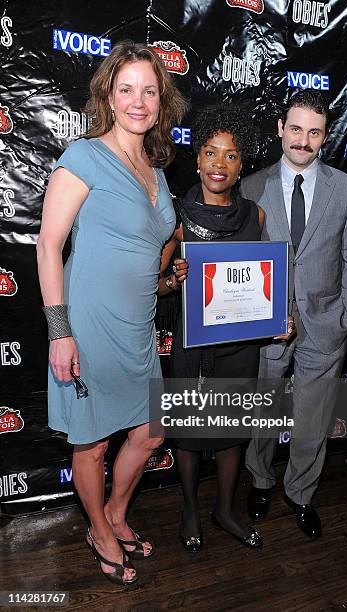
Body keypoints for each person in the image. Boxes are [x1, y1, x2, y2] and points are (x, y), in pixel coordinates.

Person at [36, 40, 187, 587]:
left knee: (150, 433)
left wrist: (172, 280)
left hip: (140, 327)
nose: (138, 101)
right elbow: (48, 245)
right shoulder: (83, 157)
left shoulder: (157, 170)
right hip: (90, 326)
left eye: (149, 90)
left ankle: (118, 513)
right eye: (127, 90)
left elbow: (150, 254)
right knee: (93, 441)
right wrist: (60, 333)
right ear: (109, 95)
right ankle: (99, 528)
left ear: (160, 99)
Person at [161, 105, 294, 552]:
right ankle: (191, 509)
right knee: (187, 431)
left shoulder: (254, 216)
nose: (220, 163)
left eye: (231, 155)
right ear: (196, 157)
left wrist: (276, 318)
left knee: (233, 427)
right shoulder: (175, 215)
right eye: (211, 153)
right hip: (191, 341)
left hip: (238, 343)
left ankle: (224, 509)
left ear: (242, 165)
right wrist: (173, 279)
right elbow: (155, 287)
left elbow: (261, 280)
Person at [241, 90, 347, 538]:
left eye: (314, 132)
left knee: (313, 418)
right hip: (267, 328)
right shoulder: (251, 186)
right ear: (280, 128)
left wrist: (346, 313)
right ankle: (259, 480)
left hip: (325, 324)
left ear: (325, 136)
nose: (303, 140)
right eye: (295, 129)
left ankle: (301, 493)